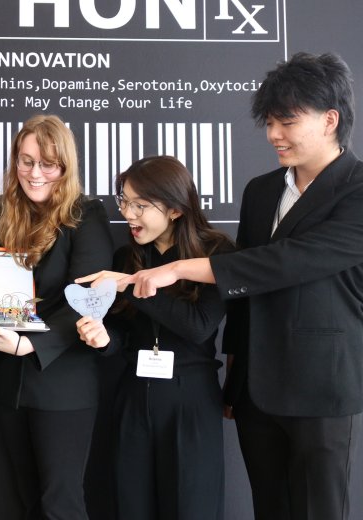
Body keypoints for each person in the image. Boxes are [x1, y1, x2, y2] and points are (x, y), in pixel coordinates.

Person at [107, 52, 363, 520]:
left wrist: (179, 269)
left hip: (321, 385)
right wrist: (235, 373)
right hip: (256, 388)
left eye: (286, 121)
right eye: (268, 122)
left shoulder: (358, 188)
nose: (273, 135)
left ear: (330, 120)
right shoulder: (261, 190)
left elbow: (286, 262)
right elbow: (244, 297)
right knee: (270, 506)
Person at [0, 114, 113, 519]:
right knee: (27, 500)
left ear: (65, 167)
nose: (34, 172)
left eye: (47, 164)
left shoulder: (86, 215)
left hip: (63, 382)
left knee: (60, 504)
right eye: (25, 161)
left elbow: (89, 297)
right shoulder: (4, 213)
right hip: (11, 382)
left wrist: (29, 343)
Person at [75, 156, 234, 520]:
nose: (128, 214)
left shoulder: (217, 252)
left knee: (192, 507)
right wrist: (103, 338)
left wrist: (130, 284)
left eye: (140, 205)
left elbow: (198, 326)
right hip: (133, 395)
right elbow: (122, 338)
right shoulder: (126, 255)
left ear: (176, 209)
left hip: (191, 398)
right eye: (125, 202)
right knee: (130, 505)